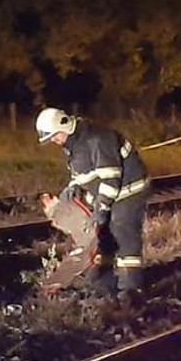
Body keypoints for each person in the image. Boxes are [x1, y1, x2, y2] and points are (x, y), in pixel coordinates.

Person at [36, 107, 150, 296]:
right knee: (102, 239)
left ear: (64, 126)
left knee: (123, 233)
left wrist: (101, 208)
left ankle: (131, 290)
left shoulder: (97, 139)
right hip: (109, 192)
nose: (54, 142)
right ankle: (105, 286)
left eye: (55, 137)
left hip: (129, 190)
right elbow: (84, 172)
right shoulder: (73, 143)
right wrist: (73, 186)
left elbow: (110, 178)